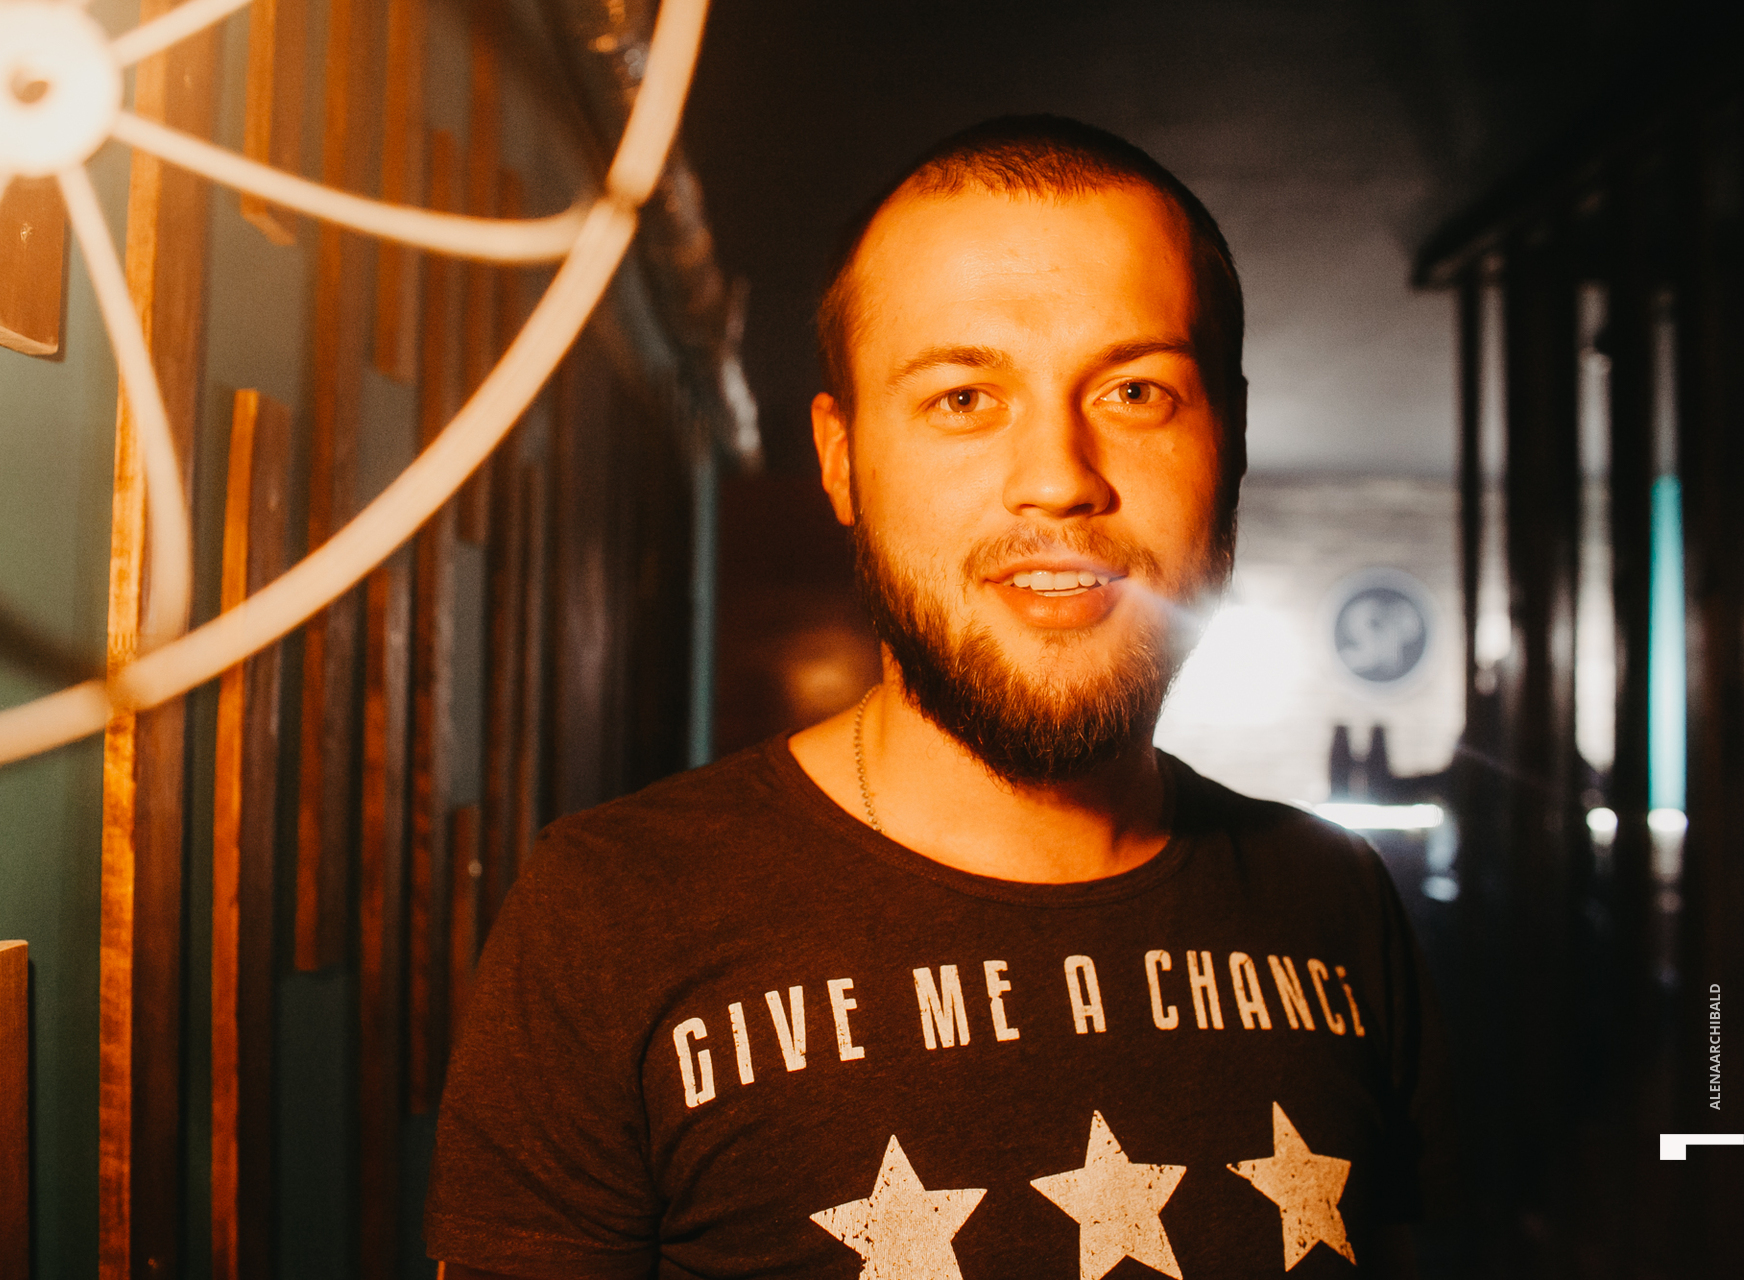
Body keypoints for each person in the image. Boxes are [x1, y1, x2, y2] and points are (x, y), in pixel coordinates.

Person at [426, 115, 1452, 1279]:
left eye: (1136, 390)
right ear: (840, 459)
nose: (1058, 477)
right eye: (965, 397)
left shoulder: (1336, 899)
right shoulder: (609, 917)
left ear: (1233, 437)